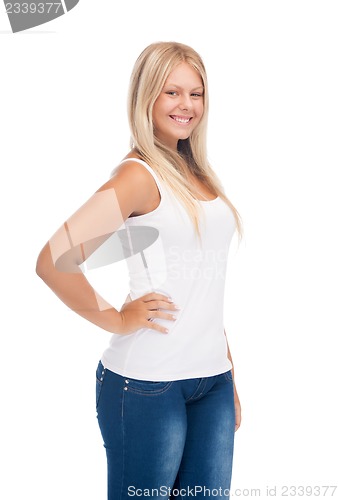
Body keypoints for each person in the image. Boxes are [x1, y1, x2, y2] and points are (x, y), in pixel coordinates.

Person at [36, 41, 242, 499]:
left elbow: (203, 284)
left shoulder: (201, 176)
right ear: (146, 97)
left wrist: (230, 376)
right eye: (171, 92)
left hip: (212, 383)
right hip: (148, 385)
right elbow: (53, 261)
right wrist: (117, 318)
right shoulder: (137, 177)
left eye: (196, 93)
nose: (186, 105)